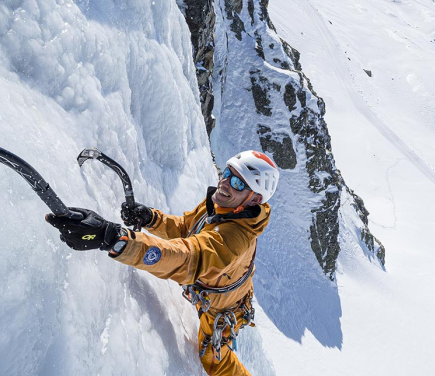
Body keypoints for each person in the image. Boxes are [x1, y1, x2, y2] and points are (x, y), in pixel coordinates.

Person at [46, 150, 279, 376]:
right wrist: (151, 218)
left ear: (255, 199)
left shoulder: (235, 238)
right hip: (216, 285)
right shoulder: (223, 205)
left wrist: (117, 239)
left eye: (238, 183)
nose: (225, 183)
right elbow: (187, 228)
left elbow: (188, 257)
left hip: (223, 307)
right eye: (227, 173)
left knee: (214, 362)